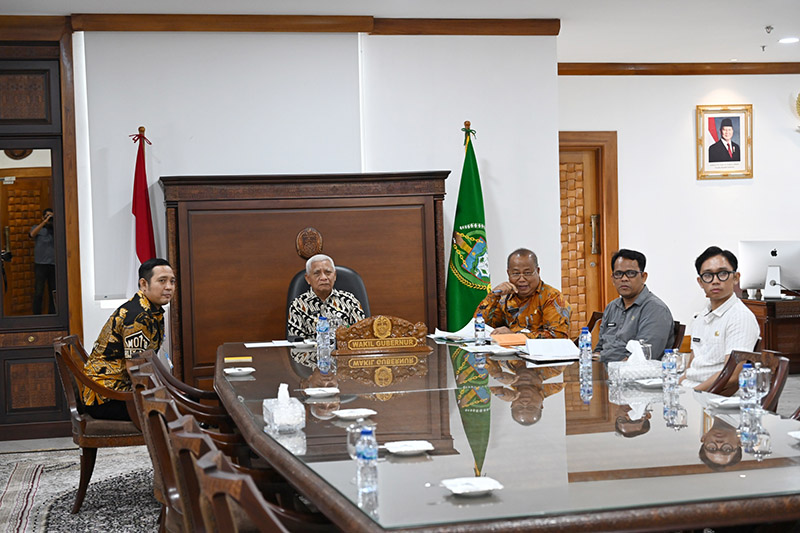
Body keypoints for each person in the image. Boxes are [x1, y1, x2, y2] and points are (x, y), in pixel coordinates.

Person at [83, 258, 175, 420]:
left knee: (181, 403)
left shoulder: (151, 310)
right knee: (175, 411)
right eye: (162, 281)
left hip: (120, 391)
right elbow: (138, 370)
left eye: (172, 281)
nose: (169, 287)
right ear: (144, 284)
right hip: (107, 398)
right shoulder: (138, 316)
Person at [681, 246, 759, 391]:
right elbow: (692, 366)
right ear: (700, 282)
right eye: (708, 275)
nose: (715, 281)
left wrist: (692, 394)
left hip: (713, 397)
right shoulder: (701, 317)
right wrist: (674, 387)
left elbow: (732, 376)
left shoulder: (740, 317)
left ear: (736, 278)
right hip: (690, 390)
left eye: (722, 274)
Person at [594, 249, 675, 362]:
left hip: (633, 375)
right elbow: (599, 348)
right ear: (612, 279)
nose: (624, 278)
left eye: (631, 273)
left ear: (643, 277)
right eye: (618, 274)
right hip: (603, 371)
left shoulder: (656, 310)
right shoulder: (611, 307)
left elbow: (643, 357)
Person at [473, 248, 571, 339]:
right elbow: (480, 327)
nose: (521, 279)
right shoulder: (504, 298)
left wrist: (514, 336)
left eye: (527, 273)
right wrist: (493, 296)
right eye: (516, 273)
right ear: (508, 273)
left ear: (537, 271)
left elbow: (558, 336)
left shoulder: (552, 297)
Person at [287, 254, 366, 341]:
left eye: (328, 273)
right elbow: (296, 345)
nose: (324, 278)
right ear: (308, 278)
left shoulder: (350, 301)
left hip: (344, 352)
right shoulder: (298, 305)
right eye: (317, 273)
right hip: (312, 353)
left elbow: (362, 336)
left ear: (335, 275)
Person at [29, 208, 56, 314]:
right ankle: (36, 315)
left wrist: (53, 223)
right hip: (40, 264)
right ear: (43, 217)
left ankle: (53, 315)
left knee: (53, 292)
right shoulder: (37, 228)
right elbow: (31, 234)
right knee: (39, 292)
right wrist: (44, 222)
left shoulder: (55, 229)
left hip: (53, 264)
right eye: (47, 216)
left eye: (51, 217)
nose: (49, 219)